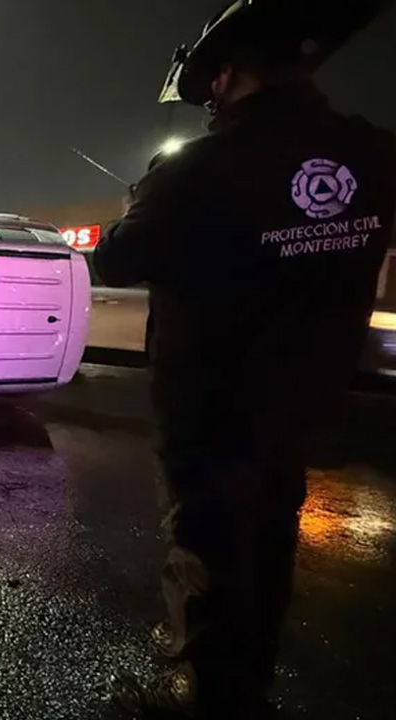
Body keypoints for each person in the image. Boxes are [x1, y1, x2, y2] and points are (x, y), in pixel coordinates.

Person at [94, 2, 396, 718]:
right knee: (267, 555)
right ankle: (244, 694)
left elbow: (116, 258)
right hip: (304, 406)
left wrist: (139, 203)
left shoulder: (199, 170)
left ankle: (207, 703)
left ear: (226, 76)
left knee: (206, 556)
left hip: (211, 412)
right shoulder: (376, 157)